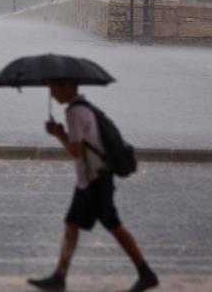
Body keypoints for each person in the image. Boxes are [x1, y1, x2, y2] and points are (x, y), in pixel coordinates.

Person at [27, 80, 159, 292]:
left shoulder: (74, 113)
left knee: (114, 225)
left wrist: (59, 134)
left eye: (55, 88)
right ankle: (59, 277)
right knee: (72, 223)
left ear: (68, 87)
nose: (52, 94)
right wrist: (61, 133)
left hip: (95, 182)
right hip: (89, 181)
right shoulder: (85, 108)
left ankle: (146, 273)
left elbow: (76, 152)